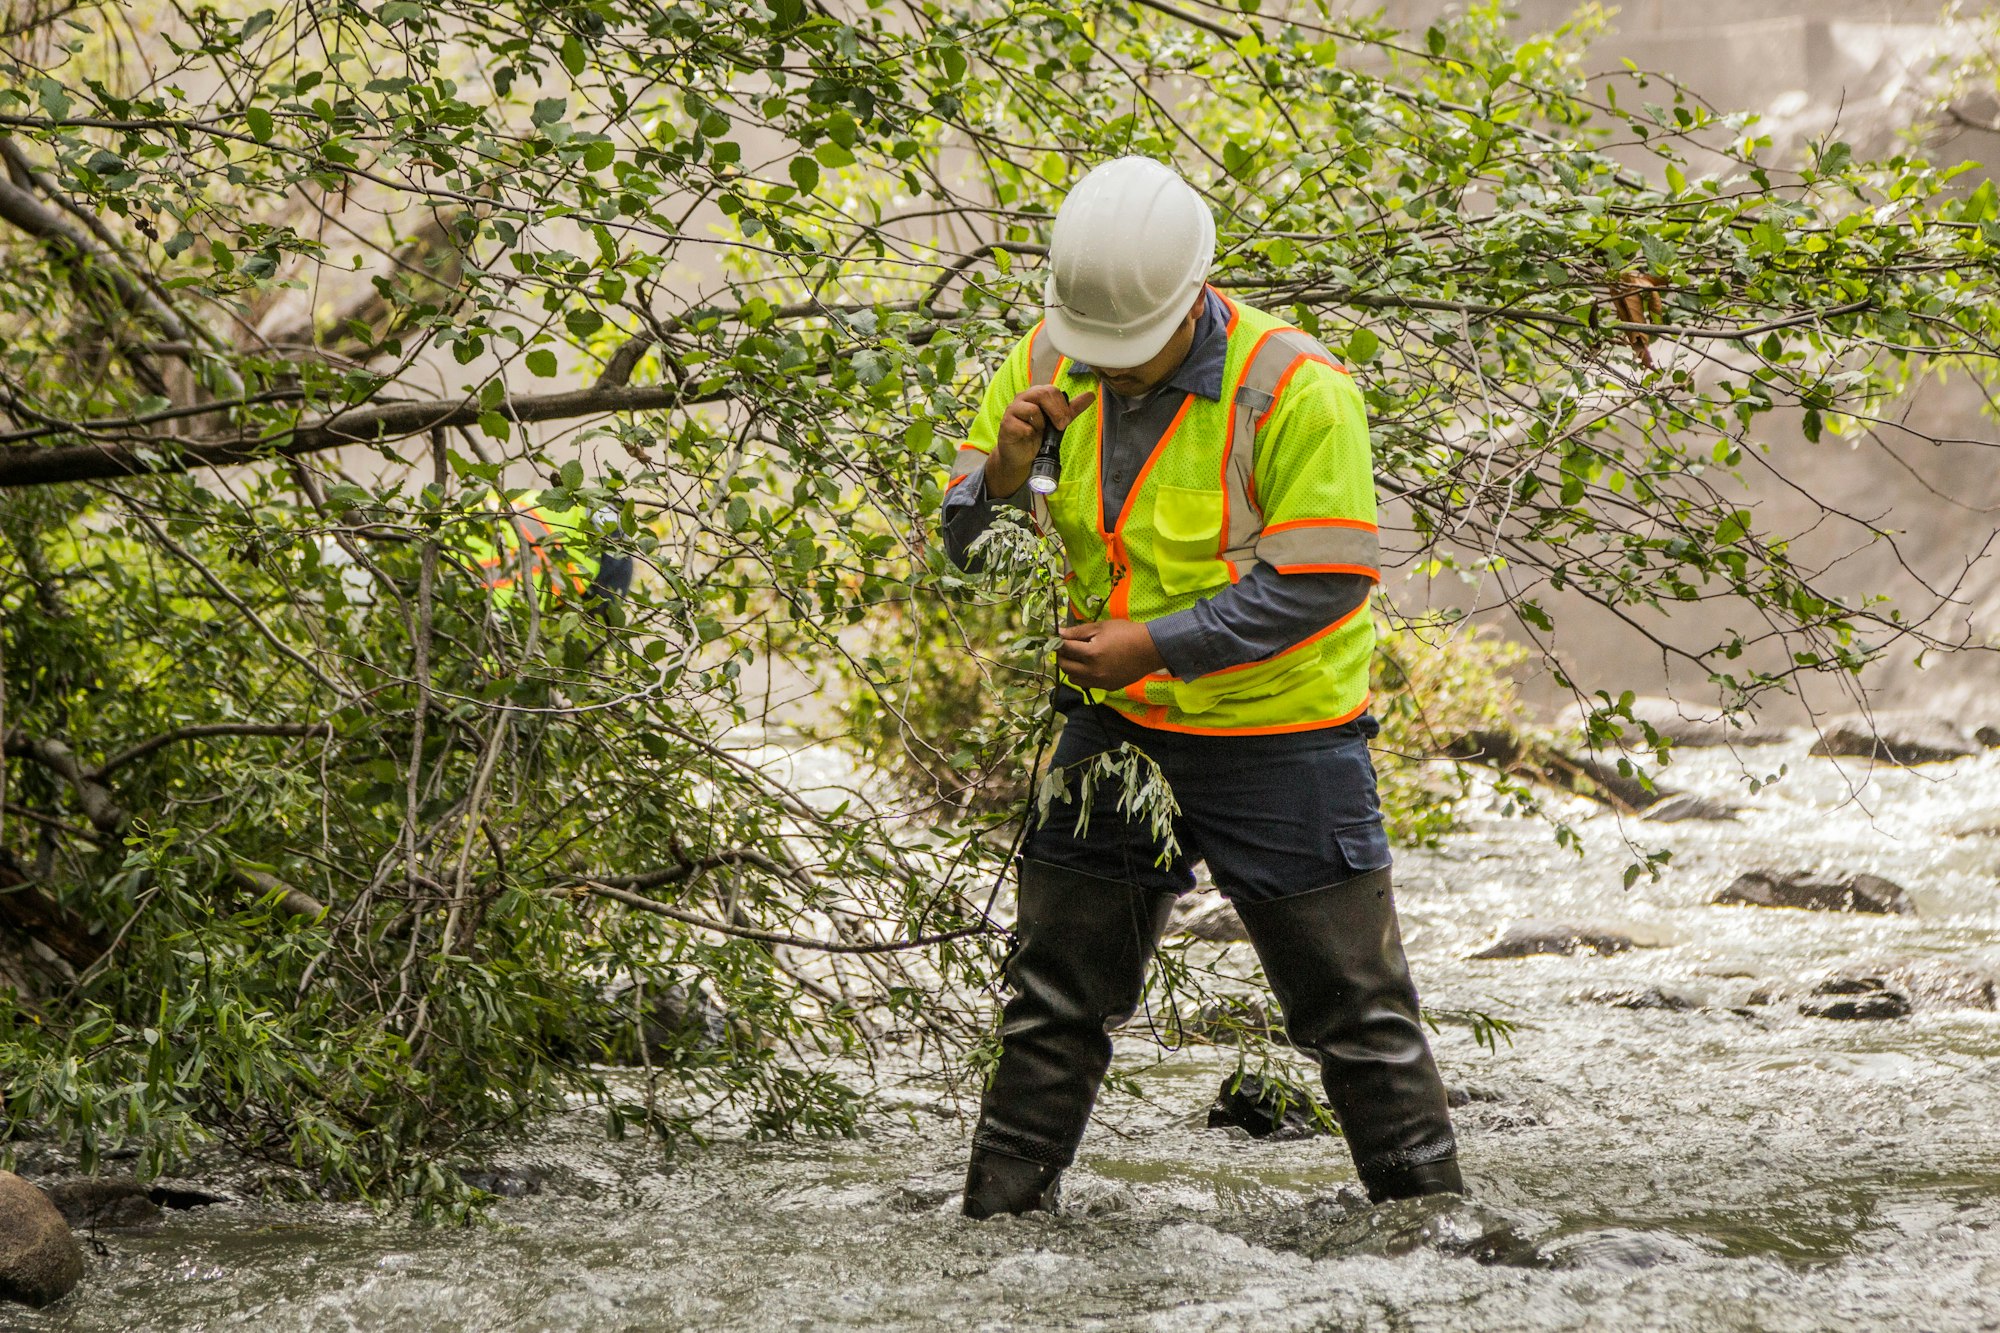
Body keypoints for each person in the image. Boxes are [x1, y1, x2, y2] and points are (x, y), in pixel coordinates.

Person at [941, 156, 1462, 1218]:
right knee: (1050, 1001)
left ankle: (1436, 1233)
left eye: (1126, 354)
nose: (1110, 370)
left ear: (1191, 296)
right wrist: (1001, 473)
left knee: (1355, 1015)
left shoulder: (1292, 384)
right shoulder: (1043, 353)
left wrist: (1153, 645)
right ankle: (994, 1229)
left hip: (1288, 744)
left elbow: (1319, 584)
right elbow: (971, 546)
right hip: (1115, 733)